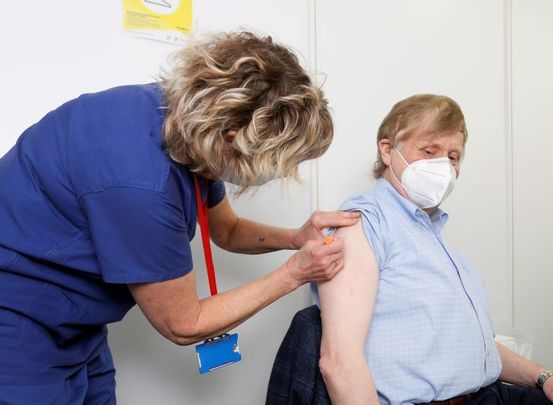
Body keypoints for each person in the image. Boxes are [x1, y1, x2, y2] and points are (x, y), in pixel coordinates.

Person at [0, 31, 359, 404]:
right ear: (234, 138)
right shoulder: (141, 181)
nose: (282, 173)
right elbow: (184, 324)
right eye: (284, 161)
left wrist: (294, 238)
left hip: (77, 326)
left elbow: (228, 231)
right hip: (17, 325)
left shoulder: (183, 125)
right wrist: (295, 273)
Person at [312, 95, 553, 404]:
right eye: (429, 151)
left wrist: (545, 378)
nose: (444, 166)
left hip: (488, 395)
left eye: (453, 156)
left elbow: (471, 350)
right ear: (388, 151)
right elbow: (339, 362)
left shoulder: (429, 232)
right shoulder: (363, 224)